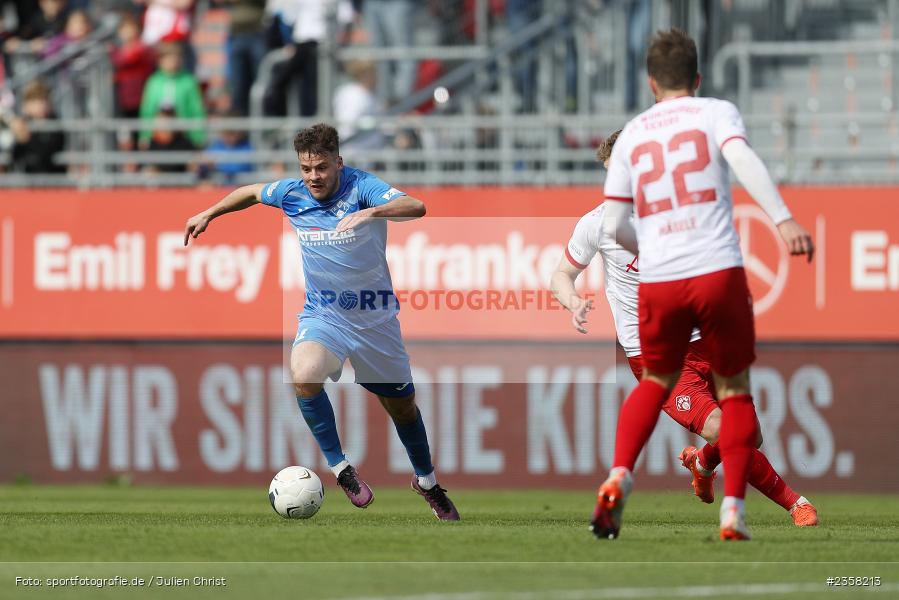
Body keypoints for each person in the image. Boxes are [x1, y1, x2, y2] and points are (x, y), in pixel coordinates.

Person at [595, 29, 815, 542]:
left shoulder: (631, 135)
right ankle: (733, 510)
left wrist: (650, 246)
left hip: (664, 275)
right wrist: (782, 219)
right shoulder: (716, 112)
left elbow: (612, 226)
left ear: (651, 84)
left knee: (653, 384)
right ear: (697, 77)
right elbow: (743, 161)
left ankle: (618, 476)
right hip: (716, 267)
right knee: (736, 394)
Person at [183, 123, 460, 521]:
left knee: (402, 408)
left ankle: (428, 482)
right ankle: (341, 469)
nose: (313, 176)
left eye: (322, 168)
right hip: (325, 315)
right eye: (306, 168)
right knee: (303, 373)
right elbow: (249, 192)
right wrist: (209, 212)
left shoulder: (363, 187)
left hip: (375, 320)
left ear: (338, 163)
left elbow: (417, 206)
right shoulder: (292, 194)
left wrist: (371, 212)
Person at [550, 130, 819, 530]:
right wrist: (572, 300)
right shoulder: (597, 224)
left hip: (707, 340)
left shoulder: (681, 216)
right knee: (729, 432)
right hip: (656, 356)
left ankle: (703, 462)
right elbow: (561, 275)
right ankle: (796, 503)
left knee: (751, 436)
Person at [138, 41, 205, 149]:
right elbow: (147, 110)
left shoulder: (189, 81)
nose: (173, 62)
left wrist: (198, 136)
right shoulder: (154, 81)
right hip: (157, 137)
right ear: (161, 61)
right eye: (169, 58)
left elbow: (196, 110)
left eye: (176, 58)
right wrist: (145, 135)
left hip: (183, 136)